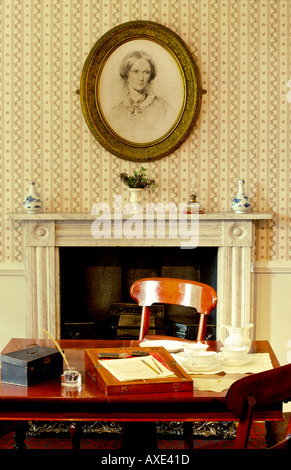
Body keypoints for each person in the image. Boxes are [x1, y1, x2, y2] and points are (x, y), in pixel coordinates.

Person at [109, 51, 174, 143]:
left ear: (151, 75)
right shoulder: (116, 112)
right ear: (126, 74)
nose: (141, 78)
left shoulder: (163, 108)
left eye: (146, 72)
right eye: (136, 71)